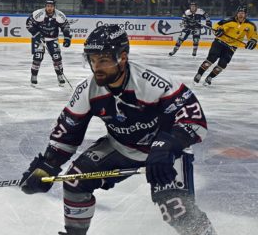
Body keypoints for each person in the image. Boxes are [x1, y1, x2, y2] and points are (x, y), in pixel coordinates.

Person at [20, 25, 217, 235]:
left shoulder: (152, 82)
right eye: (92, 60)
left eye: (103, 60)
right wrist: (47, 166)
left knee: (176, 210)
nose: (97, 67)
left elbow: (193, 119)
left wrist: (166, 146)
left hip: (166, 150)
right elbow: (67, 132)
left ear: (122, 57)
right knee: (74, 182)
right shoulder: (87, 90)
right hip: (121, 147)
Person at [193, 5, 257, 85]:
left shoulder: (250, 25)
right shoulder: (229, 20)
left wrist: (253, 41)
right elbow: (217, 26)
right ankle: (199, 74)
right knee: (211, 59)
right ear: (237, 13)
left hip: (232, 47)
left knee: (222, 64)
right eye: (239, 12)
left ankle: (210, 77)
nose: (241, 14)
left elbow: (253, 36)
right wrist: (219, 31)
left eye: (243, 13)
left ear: (246, 14)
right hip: (220, 42)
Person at [26, 0, 72, 86]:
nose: (49, 8)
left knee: (57, 57)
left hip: (52, 39)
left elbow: (65, 26)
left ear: (54, 7)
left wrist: (67, 37)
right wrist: (36, 34)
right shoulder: (38, 14)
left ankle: (60, 75)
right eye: (47, 6)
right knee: (38, 57)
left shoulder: (60, 15)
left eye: (51, 6)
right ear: (45, 6)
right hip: (40, 39)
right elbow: (29, 24)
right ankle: (34, 75)